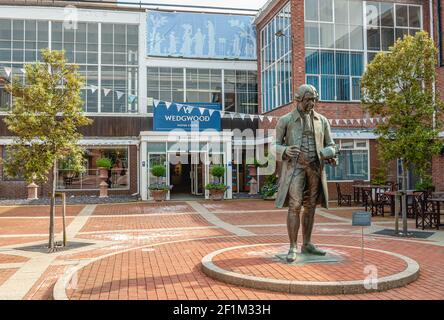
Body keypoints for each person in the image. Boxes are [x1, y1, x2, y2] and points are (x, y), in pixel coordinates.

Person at [274, 84, 338, 262]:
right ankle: (293, 246)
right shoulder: (285, 120)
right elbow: (274, 147)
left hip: (315, 168)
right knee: (295, 206)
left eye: (315, 99)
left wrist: (328, 154)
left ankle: (307, 243)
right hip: (296, 168)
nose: (313, 103)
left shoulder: (322, 121)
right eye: (309, 99)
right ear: (299, 99)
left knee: (310, 206)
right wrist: (285, 150)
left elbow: (331, 145)